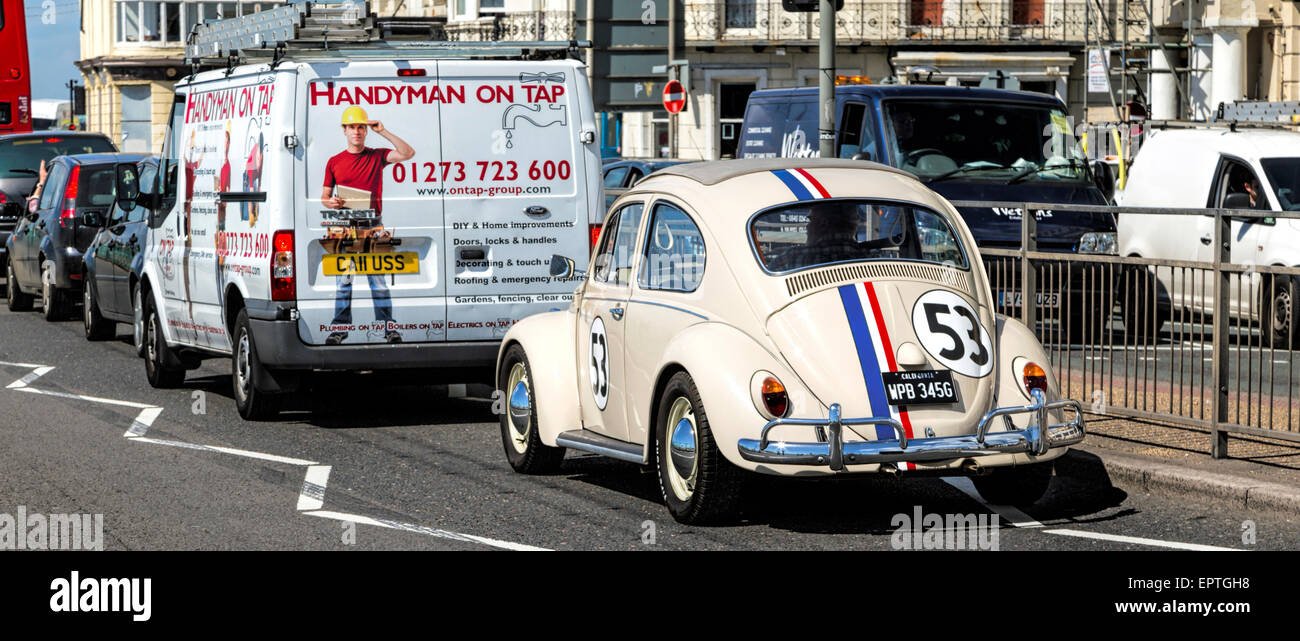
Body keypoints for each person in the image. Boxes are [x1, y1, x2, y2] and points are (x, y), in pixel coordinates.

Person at [319, 106, 415, 345]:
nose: (357, 132)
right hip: (346, 228)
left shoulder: (377, 156)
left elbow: (407, 153)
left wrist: (383, 131)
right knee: (344, 282)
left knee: (379, 282)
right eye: (352, 127)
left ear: (366, 130)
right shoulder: (334, 162)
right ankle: (340, 328)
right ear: (344, 130)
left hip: (373, 227)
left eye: (361, 127)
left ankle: (387, 327)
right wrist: (331, 203)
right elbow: (324, 196)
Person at [771, 203, 864, 271]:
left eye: (811, 220)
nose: (807, 226)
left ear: (823, 224)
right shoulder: (874, 255)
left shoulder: (791, 258)